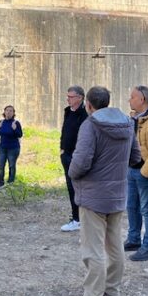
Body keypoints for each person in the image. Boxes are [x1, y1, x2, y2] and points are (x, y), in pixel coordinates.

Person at [67, 86, 141, 296]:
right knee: (115, 244)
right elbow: (136, 157)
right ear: (108, 102)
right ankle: (112, 292)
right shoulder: (128, 124)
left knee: (93, 248)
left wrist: (72, 173)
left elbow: (81, 162)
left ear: (89, 104)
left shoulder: (90, 125)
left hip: (93, 196)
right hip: (117, 194)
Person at [124, 85, 148, 261]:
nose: (129, 100)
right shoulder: (135, 118)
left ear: (142, 100)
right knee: (131, 207)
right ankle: (134, 240)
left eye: (132, 97)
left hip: (146, 173)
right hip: (132, 170)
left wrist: (145, 172)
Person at [59, 86, 88, 232]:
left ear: (80, 97)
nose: (68, 99)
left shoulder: (85, 114)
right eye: (67, 96)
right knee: (71, 187)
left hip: (78, 156)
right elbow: (65, 131)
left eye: (71, 97)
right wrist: (62, 150)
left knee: (80, 187)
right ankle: (76, 217)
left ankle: (80, 218)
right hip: (66, 155)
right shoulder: (67, 111)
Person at [0, 105, 23, 187]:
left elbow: (20, 135)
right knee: (1, 165)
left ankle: (10, 183)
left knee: (11, 165)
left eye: (11, 111)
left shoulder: (16, 123)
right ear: (4, 112)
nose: (9, 112)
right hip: (2, 147)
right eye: (7, 110)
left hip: (13, 148)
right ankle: (1, 182)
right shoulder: (1, 122)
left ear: (13, 113)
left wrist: (15, 129)